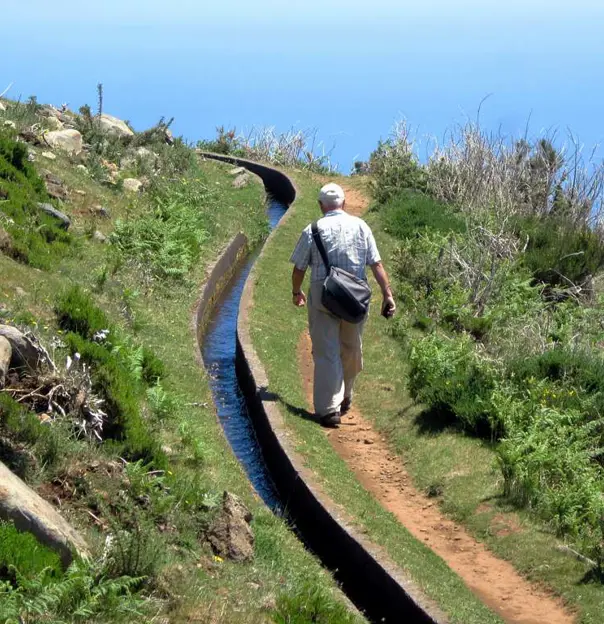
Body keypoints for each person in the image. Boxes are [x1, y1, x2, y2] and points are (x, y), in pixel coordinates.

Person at [290, 182, 396, 427]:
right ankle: (346, 395)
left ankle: (329, 410)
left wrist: (296, 292)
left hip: (323, 292)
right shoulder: (361, 226)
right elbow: (376, 264)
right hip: (354, 295)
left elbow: (299, 268)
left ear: (320, 206)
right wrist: (387, 294)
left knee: (326, 351)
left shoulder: (312, 229)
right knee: (351, 348)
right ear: (344, 204)